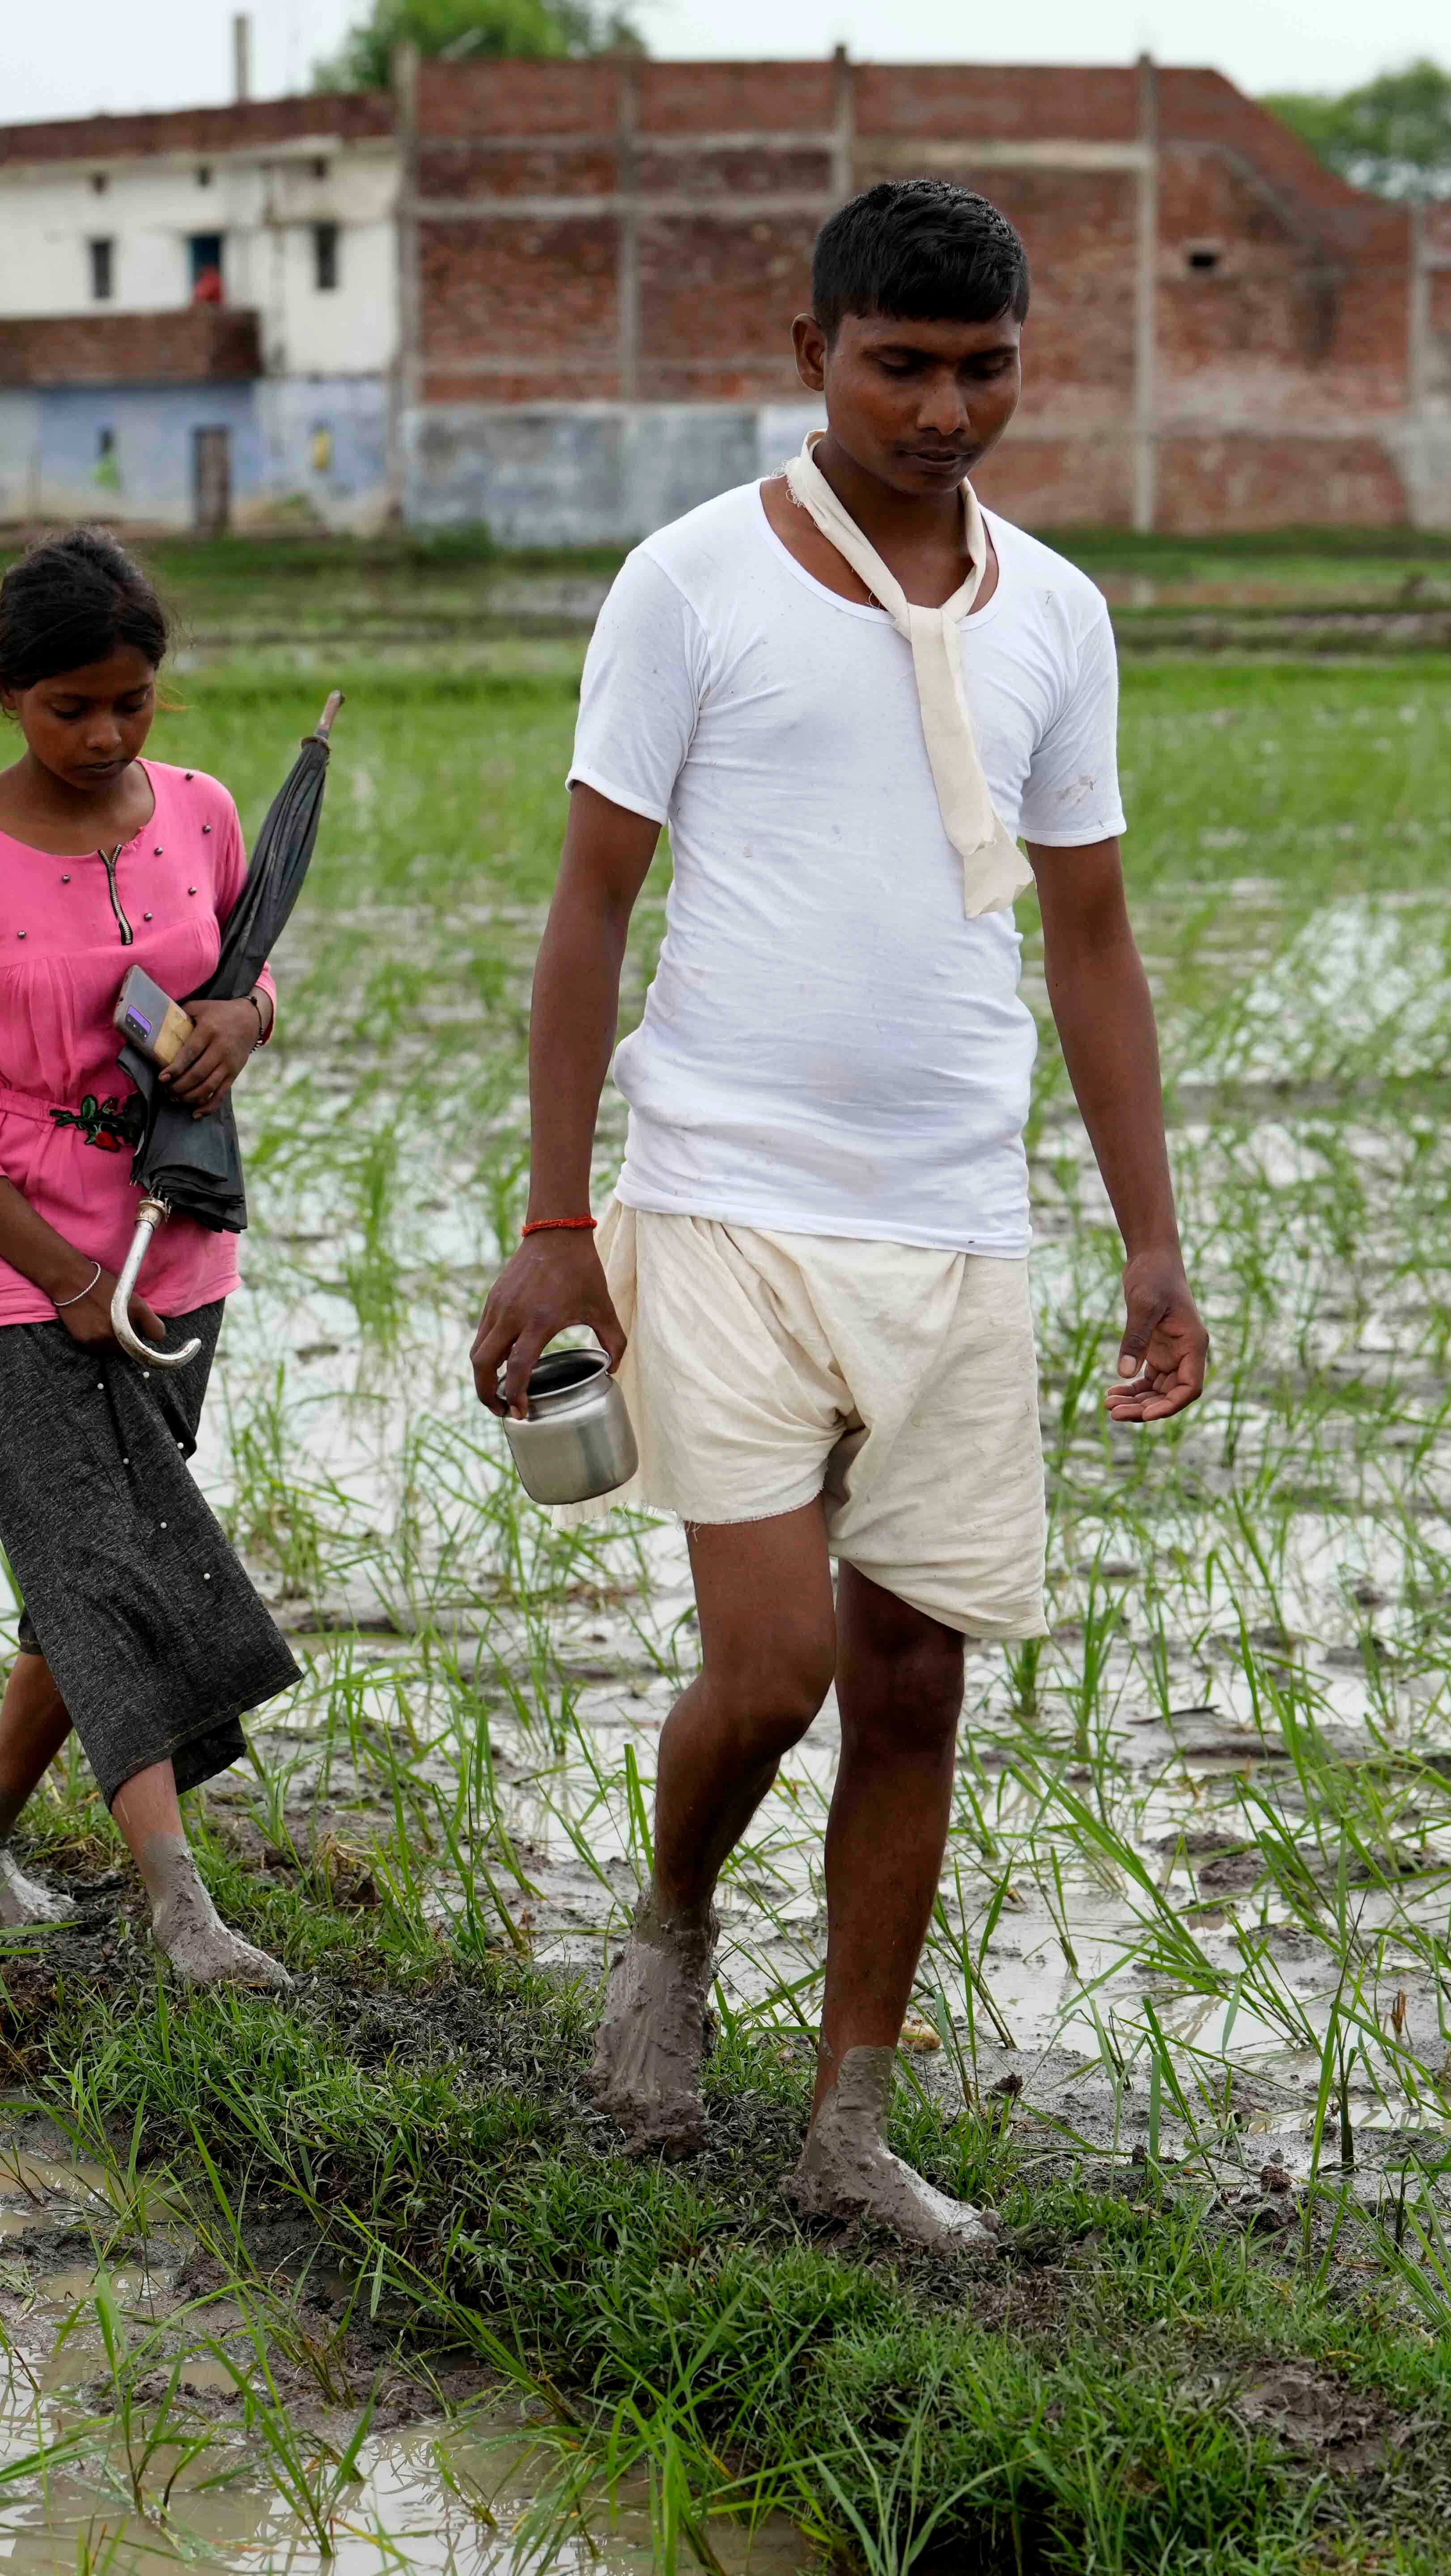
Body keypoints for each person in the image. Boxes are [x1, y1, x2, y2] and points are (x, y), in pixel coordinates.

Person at [465, 180, 1212, 2247]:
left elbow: (1092, 936)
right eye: (903, 364)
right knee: (776, 1661)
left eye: (984, 368)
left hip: (964, 1225)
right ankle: (674, 1921)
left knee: (914, 1683)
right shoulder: (691, 584)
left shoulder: (1057, 612)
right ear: (812, 354)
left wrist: (1150, 1241)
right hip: (724, 1202)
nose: (946, 408)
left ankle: (849, 2123)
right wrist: (554, 1223)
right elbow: (592, 905)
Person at [0, 530, 301, 1993]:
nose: (106, 732)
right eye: (72, 706)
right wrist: (60, 1277)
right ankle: (181, 1908)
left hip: (175, 1258)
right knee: (115, 1571)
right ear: (5, 691)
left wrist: (250, 1022)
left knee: (82, 1585)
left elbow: (243, 970)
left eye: (130, 700)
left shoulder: (198, 811)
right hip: (23, 1279)